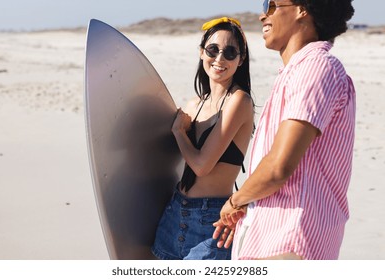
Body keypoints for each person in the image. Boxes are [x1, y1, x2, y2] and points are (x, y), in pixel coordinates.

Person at [213, 0, 356, 260]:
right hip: (273, 238)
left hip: (292, 239)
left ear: (302, 9)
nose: (261, 15)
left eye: (271, 5)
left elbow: (278, 167)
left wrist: (235, 201)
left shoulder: (316, 67)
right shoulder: (295, 72)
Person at [151, 17, 254, 260]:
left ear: (240, 60)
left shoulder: (239, 101)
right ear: (201, 52)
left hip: (211, 222)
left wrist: (178, 132)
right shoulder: (194, 104)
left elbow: (201, 165)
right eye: (213, 50)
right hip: (174, 212)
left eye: (230, 52)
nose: (220, 59)